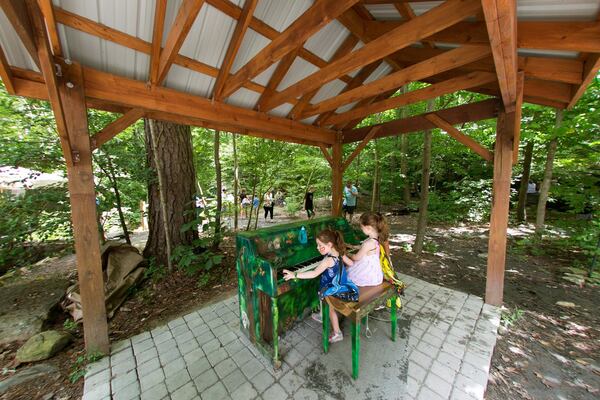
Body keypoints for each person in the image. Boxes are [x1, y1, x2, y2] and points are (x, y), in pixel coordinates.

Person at [283, 229, 358, 344]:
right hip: (343, 285)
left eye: (320, 245)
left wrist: (295, 274)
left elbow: (314, 274)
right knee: (325, 295)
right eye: (317, 245)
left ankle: (337, 332)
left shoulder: (328, 260)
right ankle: (322, 313)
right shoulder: (340, 252)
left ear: (329, 244)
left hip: (332, 290)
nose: (318, 248)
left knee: (331, 308)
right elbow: (352, 264)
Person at [347, 212, 387, 287]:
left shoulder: (368, 243)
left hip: (367, 273)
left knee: (348, 273)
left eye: (362, 227)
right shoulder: (375, 238)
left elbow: (356, 257)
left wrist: (346, 253)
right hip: (374, 272)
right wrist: (351, 246)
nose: (361, 229)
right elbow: (363, 248)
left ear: (369, 228)